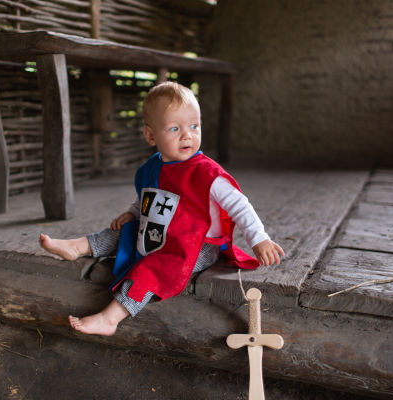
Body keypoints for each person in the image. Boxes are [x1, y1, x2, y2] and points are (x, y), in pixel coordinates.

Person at [40, 81, 285, 336]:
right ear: (150, 136)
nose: (187, 135)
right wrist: (134, 213)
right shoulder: (152, 167)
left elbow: (240, 206)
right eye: (174, 128)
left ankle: (111, 317)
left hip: (196, 245)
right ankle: (79, 246)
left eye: (194, 126)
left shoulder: (206, 174)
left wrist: (259, 239)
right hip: (162, 232)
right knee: (126, 230)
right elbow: (149, 196)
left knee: (156, 266)